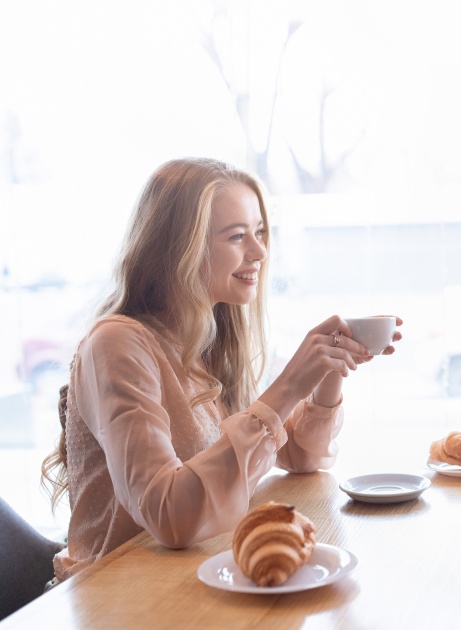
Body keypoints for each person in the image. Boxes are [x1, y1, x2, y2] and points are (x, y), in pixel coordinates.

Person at [40, 157, 402, 581]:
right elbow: (169, 517)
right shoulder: (117, 344)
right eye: (237, 236)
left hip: (186, 580)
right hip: (117, 596)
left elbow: (301, 456)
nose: (260, 252)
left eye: (260, 232)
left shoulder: (207, 343)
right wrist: (287, 387)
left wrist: (331, 365)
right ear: (181, 249)